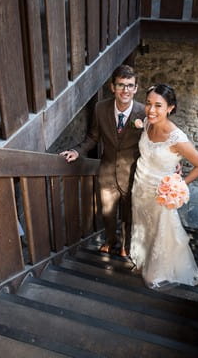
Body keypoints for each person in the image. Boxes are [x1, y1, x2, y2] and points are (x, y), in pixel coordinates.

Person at [60, 65, 146, 257]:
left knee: (128, 213)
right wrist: (76, 151)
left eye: (130, 85)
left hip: (133, 173)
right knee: (107, 212)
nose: (126, 90)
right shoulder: (100, 108)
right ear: (112, 87)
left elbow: (154, 141)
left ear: (136, 88)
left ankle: (125, 244)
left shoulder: (144, 112)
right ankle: (110, 239)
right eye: (121, 85)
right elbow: (93, 137)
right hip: (106, 171)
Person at [130, 84, 198, 290]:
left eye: (158, 105)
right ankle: (142, 258)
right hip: (140, 186)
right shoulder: (146, 123)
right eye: (148, 104)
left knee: (162, 231)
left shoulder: (177, 138)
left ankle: (157, 271)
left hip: (159, 194)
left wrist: (178, 184)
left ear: (170, 108)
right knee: (143, 226)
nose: (151, 110)